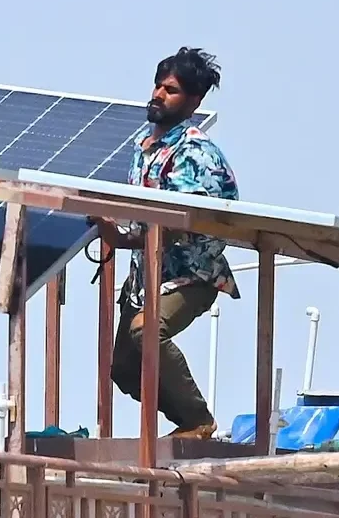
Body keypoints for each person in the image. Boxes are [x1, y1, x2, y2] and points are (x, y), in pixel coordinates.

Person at [92, 47, 239, 441]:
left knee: (145, 332)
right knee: (124, 369)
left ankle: (197, 420)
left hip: (191, 275)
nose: (158, 94)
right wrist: (117, 234)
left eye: (170, 90)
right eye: (158, 85)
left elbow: (187, 223)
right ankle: (188, 423)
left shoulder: (195, 152)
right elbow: (147, 223)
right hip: (146, 276)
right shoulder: (143, 146)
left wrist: (133, 234)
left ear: (194, 101)